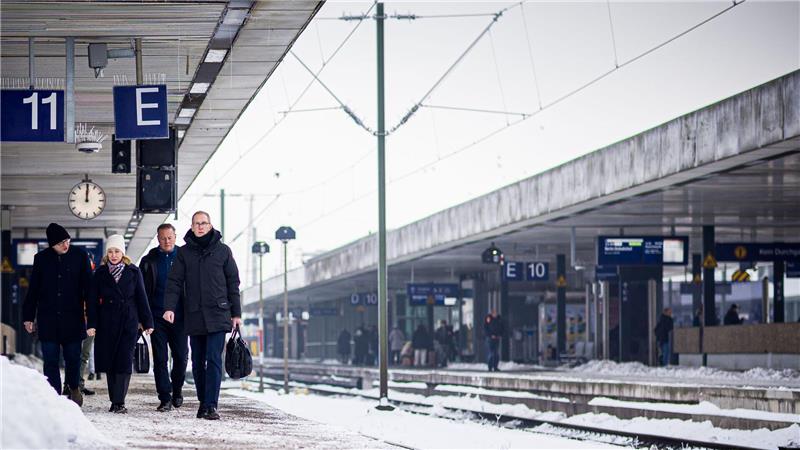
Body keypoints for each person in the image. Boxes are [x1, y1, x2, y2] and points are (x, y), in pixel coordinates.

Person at [163, 211, 241, 421]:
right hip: (194, 314)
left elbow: (233, 282)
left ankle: (211, 405)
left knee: (213, 359)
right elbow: (174, 282)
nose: (200, 226)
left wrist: (236, 313)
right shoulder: (184, 253)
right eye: (196, 223)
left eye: (203, 223)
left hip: (218, 313)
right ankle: (202, 402)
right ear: (192, 226)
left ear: (210, 225)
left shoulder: (223, 251)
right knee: (197, 361)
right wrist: (169, 308)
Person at [22, 223, 92, 405]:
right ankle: (54, 396)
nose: (65, 245)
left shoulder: (80, 256)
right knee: (50, 360)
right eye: (61, 243)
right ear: (52, 244)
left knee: (73, 358)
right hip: (48, 319)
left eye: (67, 240)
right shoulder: (41, 259)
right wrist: (28, 317)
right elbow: (33, 290)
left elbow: (89, 290)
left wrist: (92, 319)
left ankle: (73, 387)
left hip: (73, 318)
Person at [86, 235, 154, 414]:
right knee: (111, 362)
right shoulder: (100, 273)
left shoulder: (134, 272)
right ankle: (114, 399)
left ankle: (119, 402)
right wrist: (91, 324)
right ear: (106, 254)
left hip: (128, 321)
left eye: (117, 251)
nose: (113, 255)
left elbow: (141, 297)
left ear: (123, 253)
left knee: (124, 361)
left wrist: (147, 322)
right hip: (106, 322)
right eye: (110, 251)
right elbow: (92, 301)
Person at [140, 223, 189, 412]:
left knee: (181, 357)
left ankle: (177, 389)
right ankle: (165, 398)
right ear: (157, 239)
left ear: (175, 237)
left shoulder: (185, 257)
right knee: (160, 359)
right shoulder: (148, 261)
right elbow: (141, 292)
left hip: (180, 317)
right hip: (157, 317)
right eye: (163, 238)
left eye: (169, 237)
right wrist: (143, 318)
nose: (167, 241)